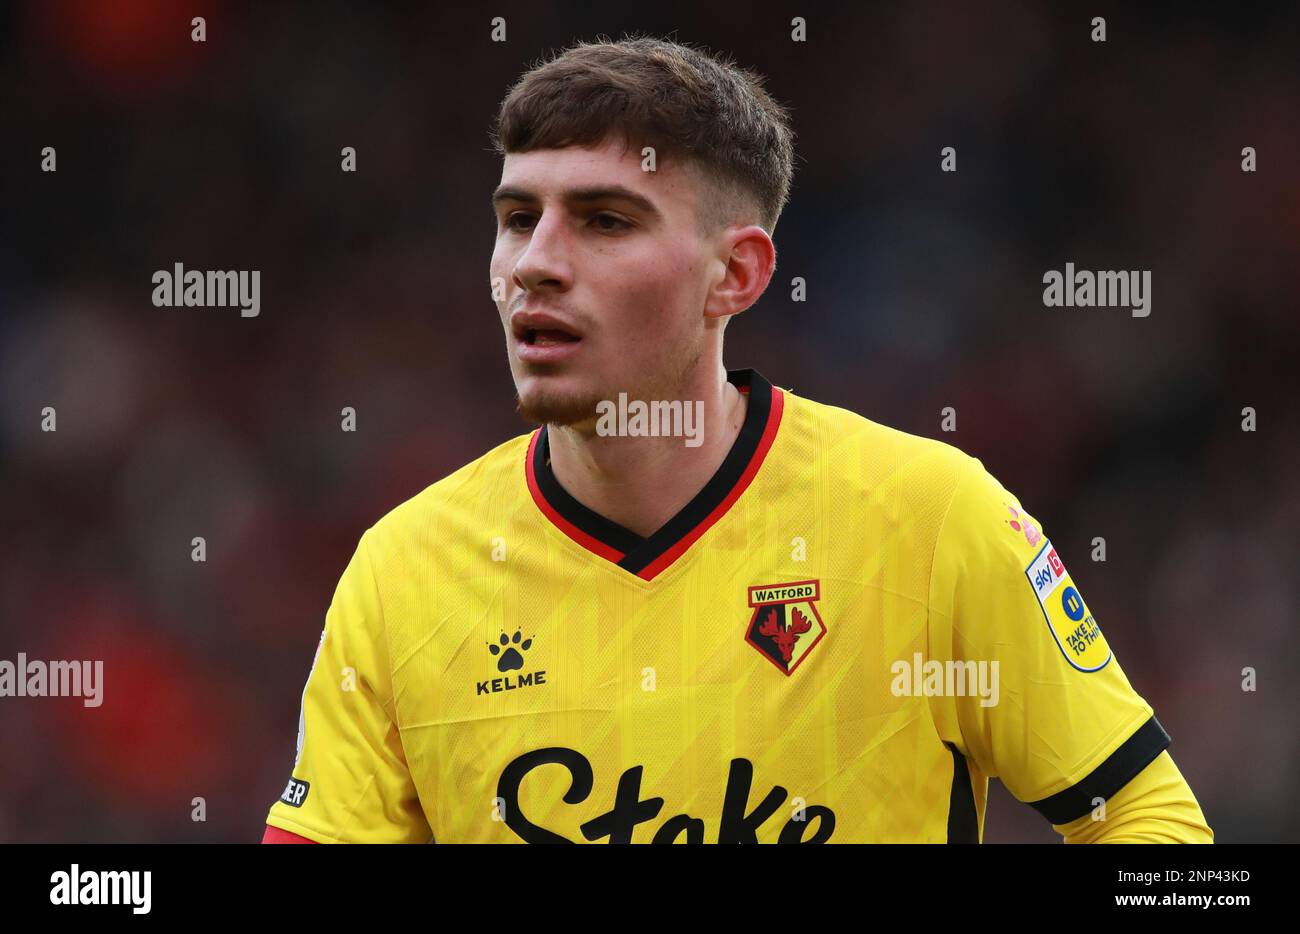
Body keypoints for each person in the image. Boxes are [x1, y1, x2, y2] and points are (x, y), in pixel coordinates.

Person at [263, 36, 1212, 843]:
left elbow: (1148, 821)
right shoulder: (401, 574)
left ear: (737, 275)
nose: (536, 265)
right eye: (518, 220)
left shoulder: (930, 518)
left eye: (603, 220)